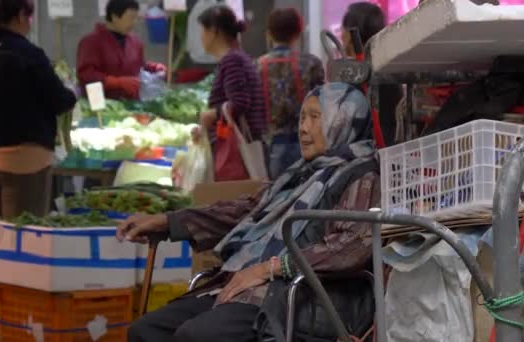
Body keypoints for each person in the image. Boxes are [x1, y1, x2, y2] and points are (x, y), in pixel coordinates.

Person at [120, 82, 381, 342]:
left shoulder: (361, 175)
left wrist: (270, 268)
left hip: (299, 298)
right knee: (146, 332)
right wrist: (169, 221)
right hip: (247, 287)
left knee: (197, 336)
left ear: (344, 120)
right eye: (302, 117)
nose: (303, 128)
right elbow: (247, 212)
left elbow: (351, 245)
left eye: (315, 117)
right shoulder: (299, 174)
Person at [0, 0, 76, 336]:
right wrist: (70, 94)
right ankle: (19, 321)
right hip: (23, 161)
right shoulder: (26, 54)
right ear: (20, 16)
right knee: (21, 239)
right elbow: (59, 100)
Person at [193, 5, 267, 181]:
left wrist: (210, 114)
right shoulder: (237, 58)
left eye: (202, 31)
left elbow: (240, 102)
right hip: (240, 147)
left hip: (236, 154)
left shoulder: (232, 60)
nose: (201, 37)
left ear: (214, 31)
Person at [258, 8, 325, 179]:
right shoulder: (311, 63)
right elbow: (323, 102)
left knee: (278, 198)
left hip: (272, 145)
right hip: (309, 141)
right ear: (298, 33)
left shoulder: (257, 67)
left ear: (269, 34)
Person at [77, 0, 165, 100]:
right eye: (131, 18)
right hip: (102, 105)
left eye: (136, 18)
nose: (134, 22)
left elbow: (139, 65)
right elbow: (86, 75)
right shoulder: (90, 42)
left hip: (131, 103)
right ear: (114, 17)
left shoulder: (136, 42)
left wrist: (154, 67)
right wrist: (117, 82)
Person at [341, 2, 402, 147]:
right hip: (390, 150)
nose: (340, 35)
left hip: (359, 154)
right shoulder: (388, 71)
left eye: (343, 29)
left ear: (350, 36)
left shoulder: (350, 76)